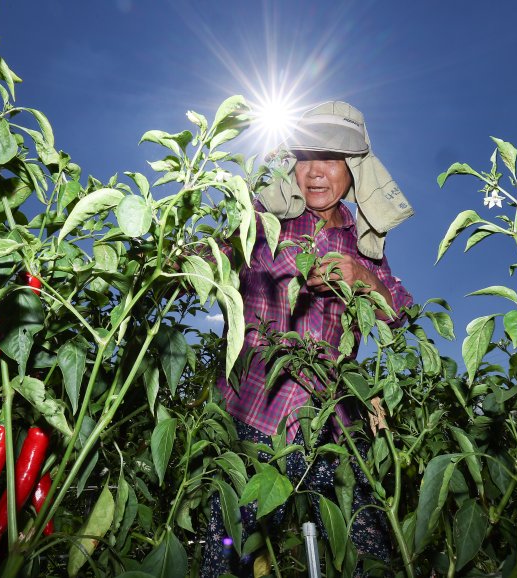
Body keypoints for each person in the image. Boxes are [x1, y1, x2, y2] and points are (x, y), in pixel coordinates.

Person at [201, 101, 414, 577]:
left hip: (334, 427)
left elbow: (400, 312)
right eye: (304, 157)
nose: (315, 172)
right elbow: (208, 259)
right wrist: (186, 254)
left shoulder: (363, 242)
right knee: (229, 551)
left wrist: (365, 279)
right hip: (254, 417)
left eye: (332, 159)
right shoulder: (260, 223)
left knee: (368, 550)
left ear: (353, 171)